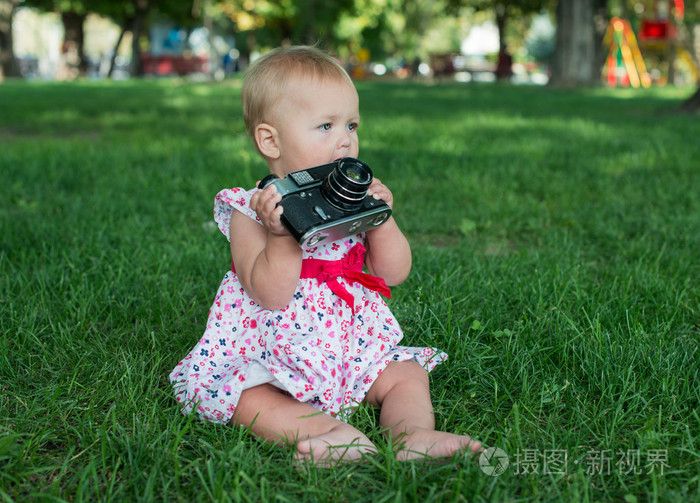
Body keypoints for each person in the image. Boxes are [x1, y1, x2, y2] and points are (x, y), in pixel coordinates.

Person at [170, 45, 482, 464]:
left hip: (348, 346)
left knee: (405, 374)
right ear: (271, 140)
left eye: (351, 124)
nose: (345, 139)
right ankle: (330, 433)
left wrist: (382, 220)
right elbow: (270, 293)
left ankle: (413, 435)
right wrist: (282, 236)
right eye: (325, 126)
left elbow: (393, 273)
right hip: (274, 351)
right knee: (247, 395)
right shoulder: (248, 210)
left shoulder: (353, 201)